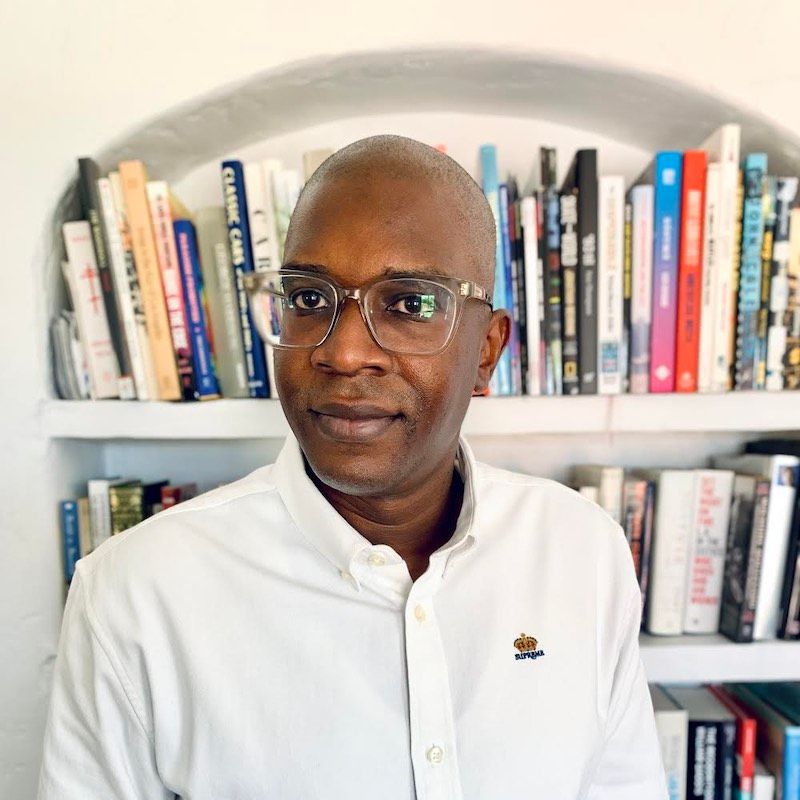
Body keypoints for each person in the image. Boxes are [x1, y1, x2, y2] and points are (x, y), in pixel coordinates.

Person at [38, 135, 668, 799]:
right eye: (308, 299)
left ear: (487, 350)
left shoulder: (580, 552)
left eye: (409, 303)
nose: (342, 353)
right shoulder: (135, 593)